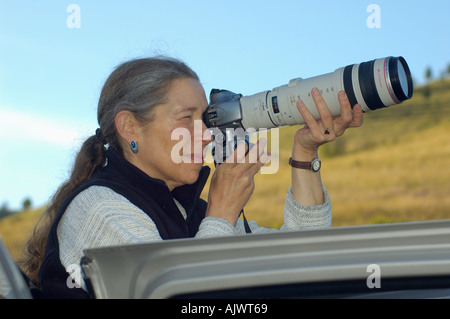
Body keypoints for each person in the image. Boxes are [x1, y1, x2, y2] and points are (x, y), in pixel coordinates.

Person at [18, 56, 363, 298]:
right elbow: (173, 295)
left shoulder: (188, 212)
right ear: (129, 127)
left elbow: (300, 257)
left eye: (207, 119)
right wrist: (221, 214)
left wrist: (304, 153)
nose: (206, 134)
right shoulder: (98, 207)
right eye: (187, 118)